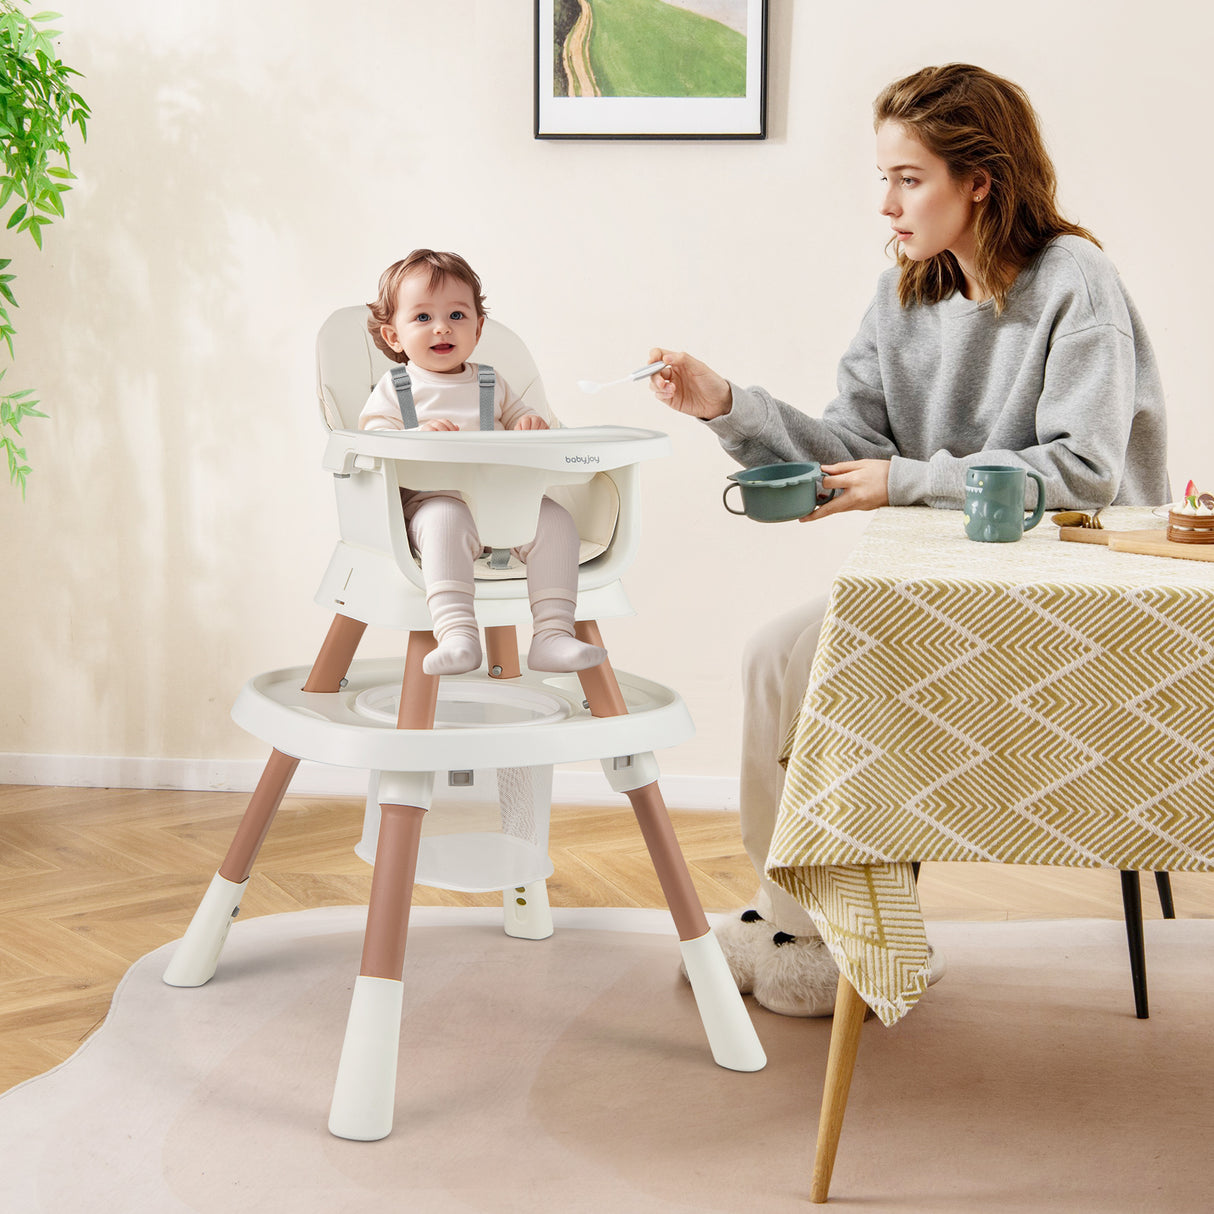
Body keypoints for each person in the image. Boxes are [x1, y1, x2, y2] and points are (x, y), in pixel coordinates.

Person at [649, 63, 1171, 1017]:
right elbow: (855, 449)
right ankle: (787, 919)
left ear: (981, 179)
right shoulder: (904, 299)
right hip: (942, 575)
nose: (885, 203)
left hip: (1070, 592)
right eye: (882, 176)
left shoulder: (1075, 283)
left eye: (909, 178)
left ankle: (843, 936)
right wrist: (726, 406)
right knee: (773, 657)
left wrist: (912, 479)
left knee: (827, 671)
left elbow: (1085, 472)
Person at [361, 248, 605, 677]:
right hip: (430, 502)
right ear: (393, 337)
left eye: (457, 315)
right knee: (445, 520)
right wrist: (412, 438)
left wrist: (529, 422)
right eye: (422, 318)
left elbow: (523, 421)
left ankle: (552, 635)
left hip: (506, 503)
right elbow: (372, 439)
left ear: (478, 327)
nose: (441, 327)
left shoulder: (491, 382)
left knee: (556, 523)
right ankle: (457, 634)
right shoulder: (396, 386)